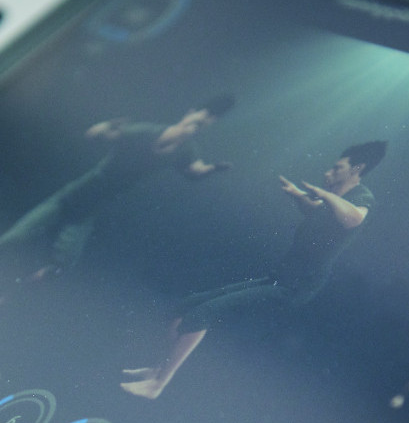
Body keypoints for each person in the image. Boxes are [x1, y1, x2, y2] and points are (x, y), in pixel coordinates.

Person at [0, 95, 235, 326]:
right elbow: (97, 135)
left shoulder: (186, 150)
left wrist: (210, 170)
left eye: (203, 126)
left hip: (87, 212)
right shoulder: (145, 131)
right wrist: (106, 127)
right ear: (188, 112)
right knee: (8, 242)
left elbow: (193, 170)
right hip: (69, 198)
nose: (194, 129)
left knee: (60, 267)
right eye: (196, 121)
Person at [121, 140, 386, 399]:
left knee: (203, 313)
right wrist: (297, 195)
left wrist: (324, 193)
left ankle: (158, 386)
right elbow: (315, 212)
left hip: (295, 287)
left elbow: (354, 218)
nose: (330, 172)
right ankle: (157, 370)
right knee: (186, 306)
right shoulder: (335, 202)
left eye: (338, 168)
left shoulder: (361, 198)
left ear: (357, 169)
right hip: (278, 277)